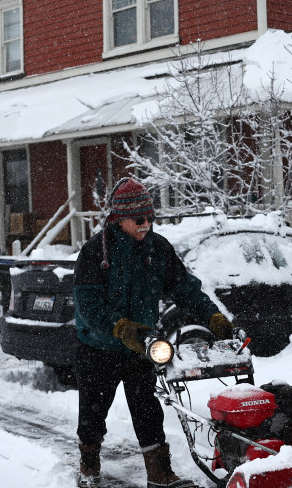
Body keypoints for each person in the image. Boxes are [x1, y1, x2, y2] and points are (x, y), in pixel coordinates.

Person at [71, 178, 234, 488]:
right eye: (139, 219)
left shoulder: (158, 249)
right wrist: (120, 327)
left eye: (150, 217)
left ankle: (160, 475)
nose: (146, 224)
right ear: (119, 218)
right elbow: (87, 304)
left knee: (148, 412)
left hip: (141, 348)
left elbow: (187, 290)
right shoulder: (96, 252)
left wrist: (213, 317)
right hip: (98, 348)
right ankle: (89, 466)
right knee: (93, 416)